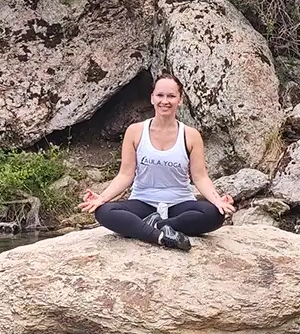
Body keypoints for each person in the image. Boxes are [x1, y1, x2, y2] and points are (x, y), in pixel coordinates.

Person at [79, 73, 235, 250]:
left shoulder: (191, 135)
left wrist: (217, 200)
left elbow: (200, 177)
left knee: (214, 214)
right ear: (152, 97)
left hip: (179, 203)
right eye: (160, 95)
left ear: (180, 100)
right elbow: (125, 175)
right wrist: (102, 198)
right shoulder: (135, 131)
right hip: (143, 202)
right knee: (104, 211)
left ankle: (158, 225)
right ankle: (161, 237)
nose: (165, 101)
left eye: (171, 96)